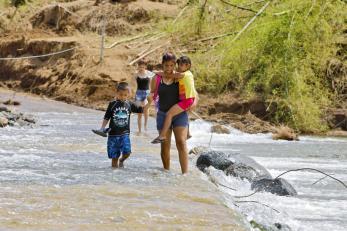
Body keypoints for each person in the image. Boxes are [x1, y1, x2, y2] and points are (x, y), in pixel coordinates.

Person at [147, 52, 190, 174]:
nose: (169, 69)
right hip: (162, 114)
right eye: (167, 66)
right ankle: (166, 172)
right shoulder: (156, 78)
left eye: (172, 65)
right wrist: (149, 98)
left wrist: (195, 101)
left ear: (175, 65)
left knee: (181, 142)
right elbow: (152, 93)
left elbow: (192, 92)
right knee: (165, 146)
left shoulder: (180, 77)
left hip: (179, 115)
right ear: (163, 65)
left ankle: (185, 175)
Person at [92, 82, 147, 168]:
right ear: (116, 93)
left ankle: (122, 160)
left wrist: (148, 102)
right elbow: (106, 117)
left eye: (125, 95)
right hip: (113, 134)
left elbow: (142, 110)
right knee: (114, 158)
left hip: (124, 134)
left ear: (128, 94)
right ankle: (115, 177)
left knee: (127, 152)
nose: (123, 97)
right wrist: (102, 128)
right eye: (120, 94)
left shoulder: (130, 104)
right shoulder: (112, 104)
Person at [151, 55, 197, 144]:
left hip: (187, 100)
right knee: (184, 113)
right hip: (186, 99)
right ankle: (188, 133)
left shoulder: (184, 74)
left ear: (188, 66)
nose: (179, 67)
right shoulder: (187, 74)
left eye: (181, 65)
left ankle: (162, 135)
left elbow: (170, 74)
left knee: (169, 114)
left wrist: (158, 72)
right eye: (178, 65)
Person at [134, 59, 154, 133]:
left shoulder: (149, 74)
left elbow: (152, 84)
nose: (141, 68)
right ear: (138, 66)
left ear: (145, 66)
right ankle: (139, 130)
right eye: (140, 66)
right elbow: (133, 84)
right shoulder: (136, 74)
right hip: (138, 93)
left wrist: (152, 93)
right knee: (139, 112)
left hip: (146, 93)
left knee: (146, 110)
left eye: (143, 67)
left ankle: (145, 126)